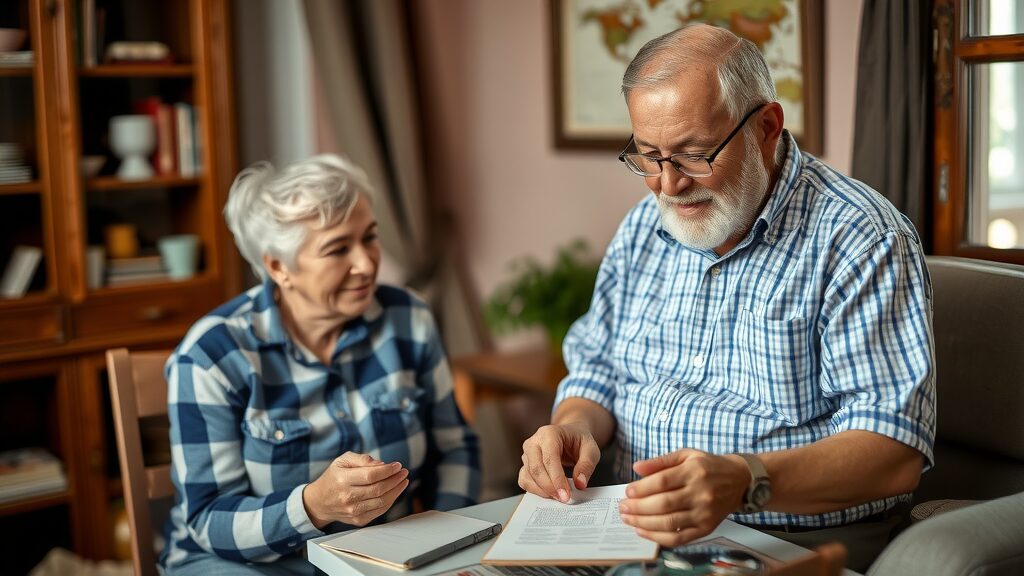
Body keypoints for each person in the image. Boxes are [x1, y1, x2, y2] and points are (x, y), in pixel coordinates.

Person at [518, 24, 935, 572]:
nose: (668, 186)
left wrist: (744, 480)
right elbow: (596, 370)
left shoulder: (862, 238)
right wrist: (573, 426)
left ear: (766, 126)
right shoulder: (645, 225)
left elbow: (892, 452)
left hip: (776, 540)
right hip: (617, 527)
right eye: (648, 156)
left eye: (693, 155)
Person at [162, 155, 480, 575]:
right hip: (243, 565)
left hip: (381, 561)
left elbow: (455, 447)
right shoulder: (213, 355)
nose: (366, 263)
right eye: (337, 249)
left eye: (369, 237)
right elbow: (207, 519)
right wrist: (313, 506)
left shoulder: (409, 319)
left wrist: (446, 542)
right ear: (278, 267)